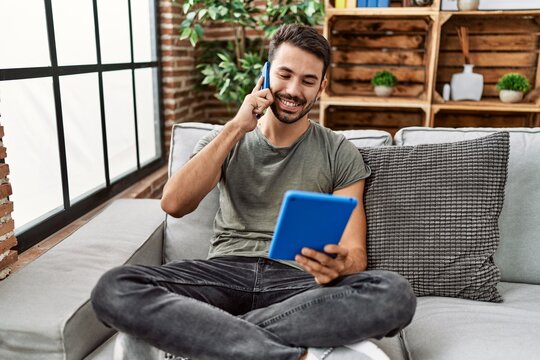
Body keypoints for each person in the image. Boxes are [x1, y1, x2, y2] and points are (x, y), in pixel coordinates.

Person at [91, 24, 416, 360]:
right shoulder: (225, 138)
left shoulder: (339, 151)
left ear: (322, 86)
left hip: (297, 285)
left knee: (394, 295)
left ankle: (205, 336)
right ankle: (287, 354)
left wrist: (338, 265)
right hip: (222, 274)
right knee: (114, 288)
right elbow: (174, 203)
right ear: (264, 74)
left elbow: (355, 254)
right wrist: (236, 126)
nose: (293, 90)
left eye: (307, 80)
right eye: (285, 74)